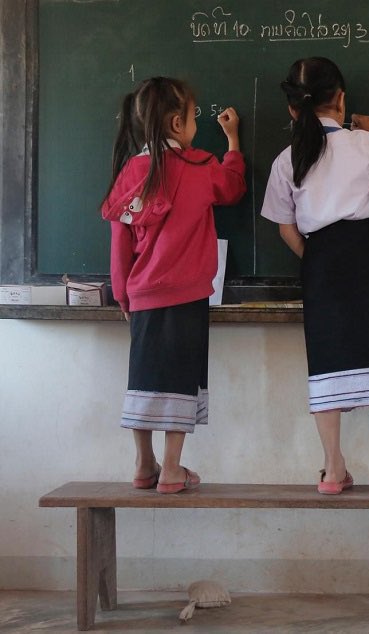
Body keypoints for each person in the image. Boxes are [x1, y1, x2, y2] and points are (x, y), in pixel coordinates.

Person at [260, 57, 369, 495]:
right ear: (341, 99)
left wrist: (316, 258)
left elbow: (285, 228)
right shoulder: (361, 143)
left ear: (292, 108)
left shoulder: (286, 160)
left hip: (320, 259)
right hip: (367, 254)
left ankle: (332, 467)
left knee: (326, 357)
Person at [101, 77, 246, 494]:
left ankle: (143, 463)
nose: (196, 124)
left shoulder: (130, 171)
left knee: (144, 378)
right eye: (193, 117)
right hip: (187, 294)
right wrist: (233, 143)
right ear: (177, 124)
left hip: (143, 295)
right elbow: (233, 188)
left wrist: (122, 293)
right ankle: (171, 468)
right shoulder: (200, 166)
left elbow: (119, 241)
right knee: (180, 379)